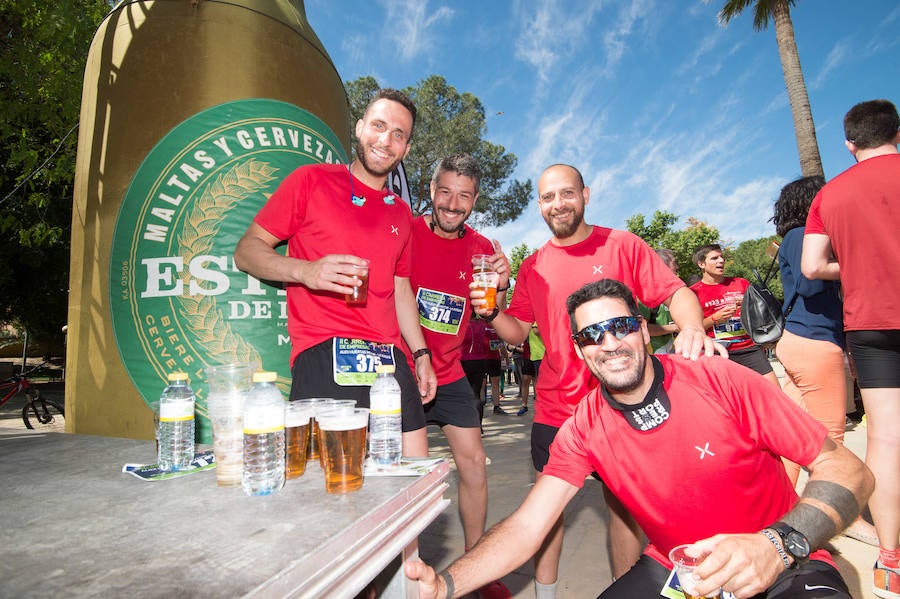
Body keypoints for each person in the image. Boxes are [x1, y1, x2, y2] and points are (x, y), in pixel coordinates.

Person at [406, 278, 874, 599]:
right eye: (592, 335)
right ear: (578, 351)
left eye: (621, 326)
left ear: (644, 331)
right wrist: (445, 585)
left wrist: (776, 545)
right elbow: (528, 527)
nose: (609, 343)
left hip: (784, 558)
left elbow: (849, 471)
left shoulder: (720, 380)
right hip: (678, 570)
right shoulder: (583, 428)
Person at [468, 164, 722, 596]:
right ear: (539, 205)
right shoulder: (533, 265)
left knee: (624, 511)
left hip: (621, 406)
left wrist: (693, 327)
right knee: (547, 514)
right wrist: (492, 312)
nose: (557, 204)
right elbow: (519, 331)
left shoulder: (622, 245)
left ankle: (627, 590)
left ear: (585, 193)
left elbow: (676, 292)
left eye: (566, 194)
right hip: (555, 410)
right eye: (548, 198)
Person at [233, 88, 436, 458]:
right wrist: (306, 271)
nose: (385, 140)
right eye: (378, 126)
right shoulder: (310, 180)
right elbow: (247, 251)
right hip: (325, 354)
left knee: (413, 488)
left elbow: (400, 290)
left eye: (398, 135)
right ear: (359, 129)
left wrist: (421, 354)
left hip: (391, 363)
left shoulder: (402, 214)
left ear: (405, 149)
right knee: (330, 500)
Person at [801, 98, 900, 598]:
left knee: (885, 435)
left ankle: (890, 558)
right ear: (896, 133)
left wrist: (858, 267)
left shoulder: (831, 195)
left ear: (849, 142)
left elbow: (813, 266)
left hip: (871, 324)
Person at [406, 153, 511, 598]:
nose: (452, 203)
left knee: (473, 467)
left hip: (449, 372)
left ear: (474, 199)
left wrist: (503, 286)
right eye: (445, 192)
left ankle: (477, 566)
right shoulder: (405, 231)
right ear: (431, 190)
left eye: (463, 195)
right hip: (402, 368)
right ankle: (403, 572)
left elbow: (492, 312)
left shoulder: (483, 248)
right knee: (407, 478)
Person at [772, 175, 878, 546]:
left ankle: (778, 504)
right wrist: (852, 261)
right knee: (830, 439)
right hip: (815, 342)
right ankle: (839, 517)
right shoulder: (803, 235)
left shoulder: (792, 237)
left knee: (792, 433)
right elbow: (812, 283)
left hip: (800, 341)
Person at [690, 244, 780, 386]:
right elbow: (690, 327)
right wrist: (715, 318)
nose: (721, 261)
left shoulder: (741, 283)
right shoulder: (693, 292)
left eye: (722, 257)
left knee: (774, 392)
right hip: (718, 352)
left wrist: (748, 305)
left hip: (749, 348)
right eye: (714, 258)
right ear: (701, 264)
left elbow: (761, 313)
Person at [639, 248, 680, 354]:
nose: (677, 267)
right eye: (674, 263)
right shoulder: (646, 295)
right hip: (654, 352)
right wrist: (674, 328)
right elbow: (642, 329)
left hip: (670, 349)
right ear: (662, 266)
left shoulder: (672, 292)